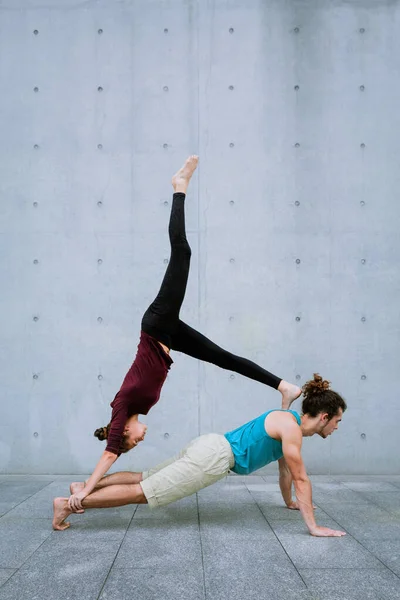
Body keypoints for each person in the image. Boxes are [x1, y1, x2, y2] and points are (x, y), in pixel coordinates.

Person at [66, 155, 301, 514]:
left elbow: (109, 454)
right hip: (167, 338)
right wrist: (80, 486)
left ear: (125, 434)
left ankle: (179, 187)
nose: (142, 438)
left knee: (183, 251)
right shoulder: (135, 408)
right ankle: (282, 385)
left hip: (158, 324)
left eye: (135, 441)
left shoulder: (121, 411)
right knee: (225, 359)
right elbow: (115, 446)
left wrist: (86, 489)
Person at [53, 374, 347, 537]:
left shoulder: (289, 424)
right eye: (337, 421)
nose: (336, 427)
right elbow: (301, 477)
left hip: (210, 445)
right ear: (323, 416)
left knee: (145, 478)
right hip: (215, 459)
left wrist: (290, 503)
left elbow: (285, 473)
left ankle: (81, 488)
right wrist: (314, 527)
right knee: (144, 492)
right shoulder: (292, 430)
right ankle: (69, 504)